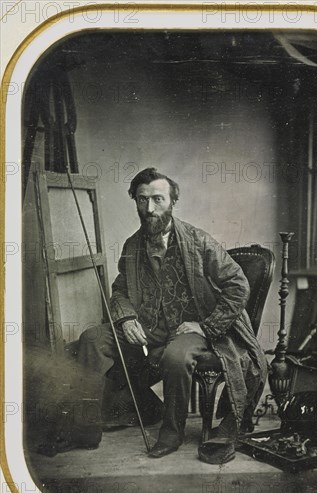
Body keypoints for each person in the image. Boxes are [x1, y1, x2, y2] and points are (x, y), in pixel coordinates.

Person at [40, 167, 268, 463]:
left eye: (158, 199)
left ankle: (171, 433)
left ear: (173, 201)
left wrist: (205, 326)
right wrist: (126, 318)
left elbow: (238, 284)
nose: (149, 209)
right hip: (148, 326)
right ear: (135, 201)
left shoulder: (199, 242)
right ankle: (83, 429)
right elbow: (119, 290)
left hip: (190, 328)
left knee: (176, 356)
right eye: (142, 200)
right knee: (92, 339)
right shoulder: (132, 246)